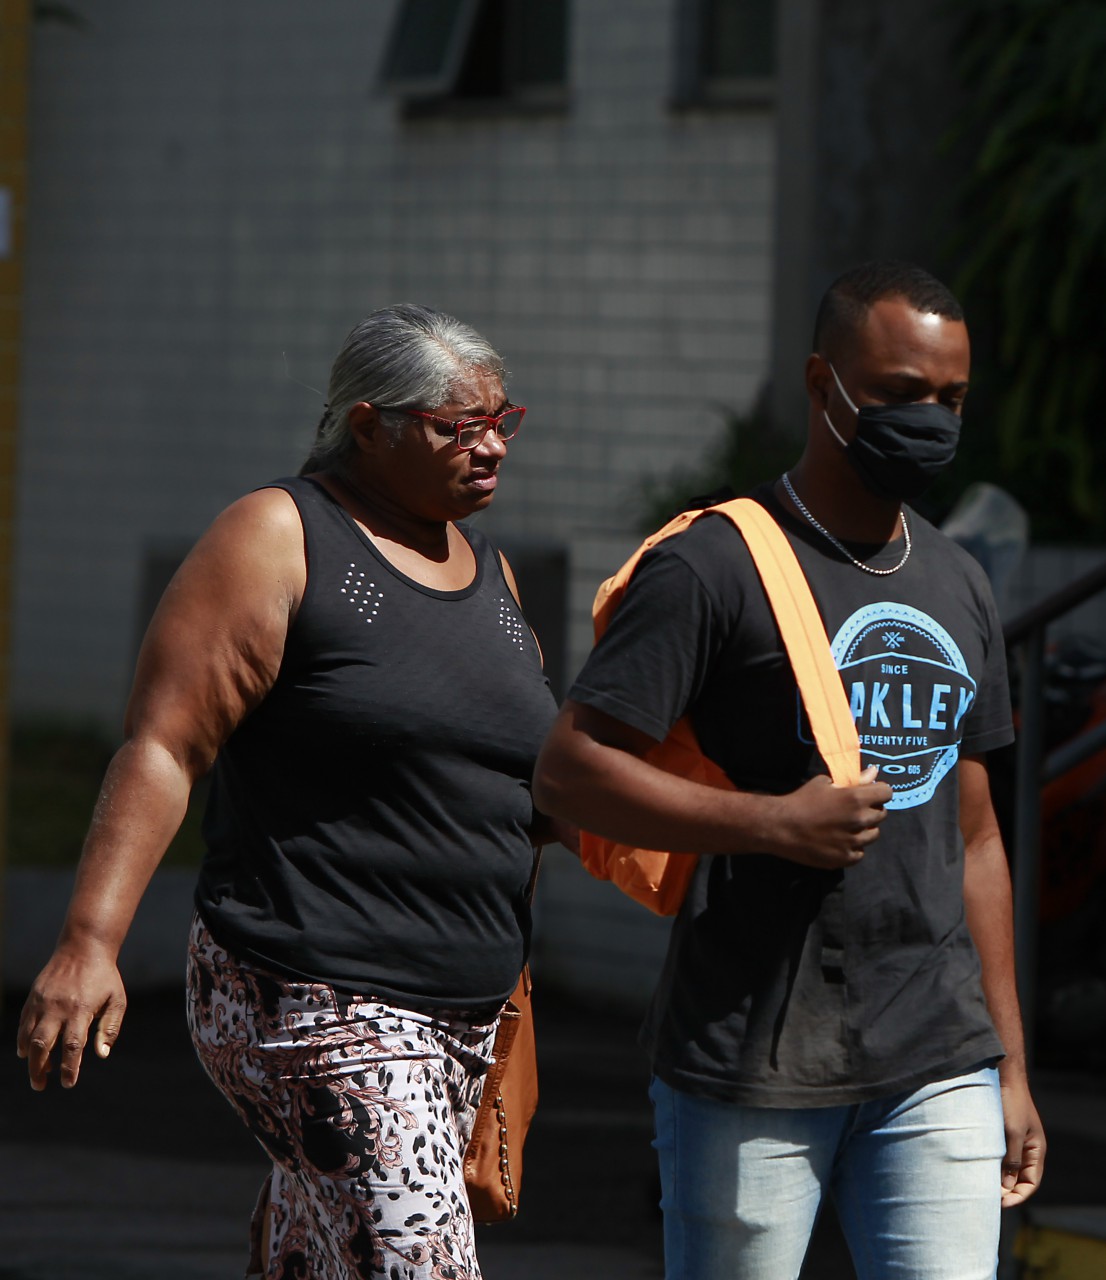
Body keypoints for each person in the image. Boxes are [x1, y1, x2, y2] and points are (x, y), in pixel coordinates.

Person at [14, 304, 566, 1280]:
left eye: (500, 421)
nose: (489, 448)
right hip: (313, 988)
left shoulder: (493, 575)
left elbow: (516, 778)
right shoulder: (280, 536)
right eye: (455, 425)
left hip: (463, 1011)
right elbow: (164, 746)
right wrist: (88, 942)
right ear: (368, 426)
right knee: (424, 1265)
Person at [534, 260, 1044, 1280]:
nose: (930, 420)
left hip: (937, 1051)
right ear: (824, 384)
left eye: (949, 399)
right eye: (900, 393)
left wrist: (1010, 1065)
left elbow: (978, 836)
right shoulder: (713, 566)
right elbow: (568, 770)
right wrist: (771, 824)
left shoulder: (959, 580)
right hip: (750, 1052)